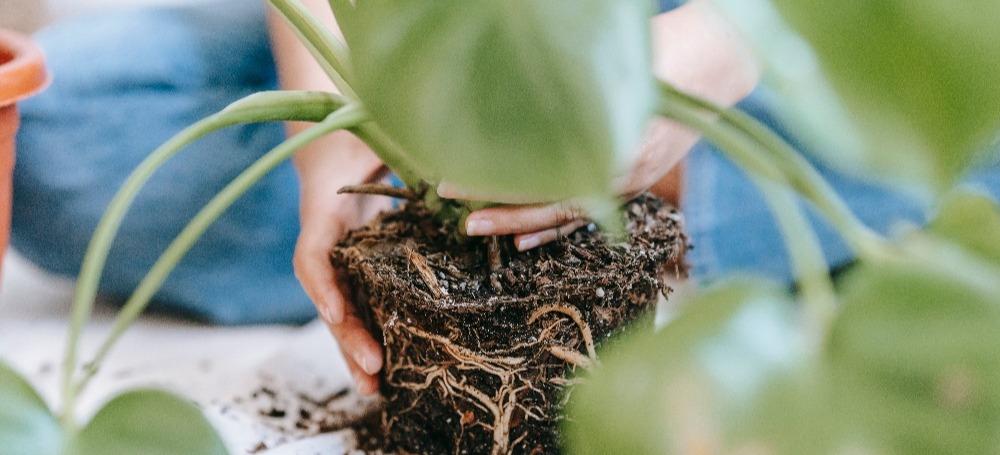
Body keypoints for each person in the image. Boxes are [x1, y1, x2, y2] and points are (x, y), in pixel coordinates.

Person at [12, 0, 998, 395]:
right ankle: (495, 158)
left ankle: (620, 176)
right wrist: (337, 149)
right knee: (58, 134)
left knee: (963, 122)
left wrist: (691, 66)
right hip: (434, 23)